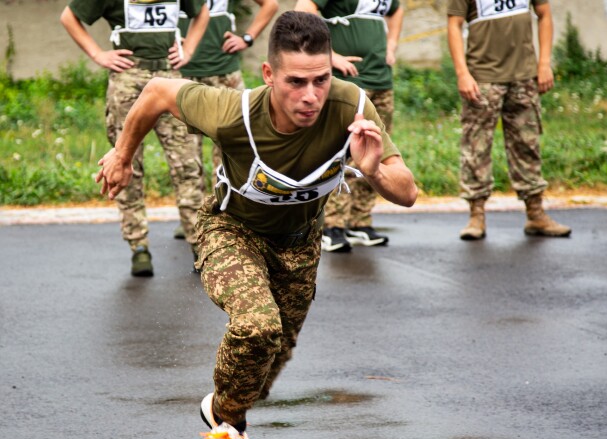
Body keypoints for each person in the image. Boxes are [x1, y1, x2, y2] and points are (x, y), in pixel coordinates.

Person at [95, 11, 417, 439]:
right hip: (232, 230)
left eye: (321, 79)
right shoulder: (233, 113)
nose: (310, 96)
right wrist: (123, 155)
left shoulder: (351, 106)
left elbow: (407, 192)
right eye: (296, 82)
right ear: (269, 74)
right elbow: (157, 92)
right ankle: (224, 432)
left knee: (270, 359)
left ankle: (230, 416)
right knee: (256, 326)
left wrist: (372, 169)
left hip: (301, 242)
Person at [60, 0, 210, 276]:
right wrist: (98, 54)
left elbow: (202, 12)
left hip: (169, 77)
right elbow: (69, 17)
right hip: (129, 77)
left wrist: (188, 50)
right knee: (126, 163)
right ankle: (138, 245)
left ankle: (199, 244)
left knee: (187, 165)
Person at [446, 0, 571, 240]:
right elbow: (454, 25)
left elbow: (544, 14)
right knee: (476, 147)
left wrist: (544, 63)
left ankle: (536, 214)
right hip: (483, 77)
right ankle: (476, 216)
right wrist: (462, 73)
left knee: (527, 144)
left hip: (524, 75)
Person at [295, 0, 404, 252]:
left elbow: (396, 11)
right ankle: (332, 225)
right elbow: (302, 11)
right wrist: (329, 57)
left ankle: (360, 221)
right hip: (349, 82)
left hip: (380, 78)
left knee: (375, 152)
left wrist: (392, 45)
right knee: (340, 152)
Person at [172, 0, 279, 240]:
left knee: (230, 153)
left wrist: (247, 38)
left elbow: (270, 4)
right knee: (185, 159)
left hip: (224, 73)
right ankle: (193, 224)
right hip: (182, 73)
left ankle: (224, 218)